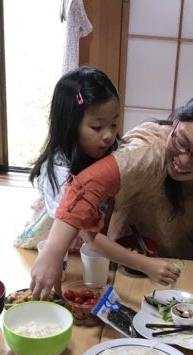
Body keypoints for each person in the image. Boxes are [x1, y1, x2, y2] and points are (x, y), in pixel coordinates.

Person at [30, 89, 193, 298]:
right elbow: (86, 187)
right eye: (181, 142)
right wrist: (52, 253)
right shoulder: (148, 152)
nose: (182, 160)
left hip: (184, 277)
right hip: (125, 270)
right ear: (176, 122)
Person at [14, 66, 121, 250]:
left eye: (114, 124)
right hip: (54, 250)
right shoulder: (58, 169)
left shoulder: (111, 150)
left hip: (95, 250)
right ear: (70, 126)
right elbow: (89, 237)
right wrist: (145, 264)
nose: (108, 135)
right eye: (97, 127)